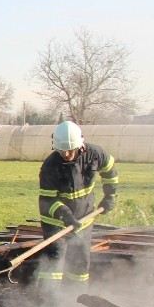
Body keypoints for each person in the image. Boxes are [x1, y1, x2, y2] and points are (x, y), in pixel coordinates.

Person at [36, 120, 118, 289]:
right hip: (56, 222)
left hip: (84, 219)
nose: (66, 154)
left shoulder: (96, 154)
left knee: (80, 261)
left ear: (80, 145)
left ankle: (76, 298)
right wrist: (65, 215)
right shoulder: (50, 166)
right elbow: (47, 200)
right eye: (62, 150)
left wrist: (110, 195)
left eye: (70, 150)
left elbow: (110, 171)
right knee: (55, 258)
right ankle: (47, 299)